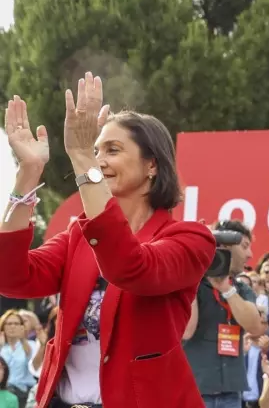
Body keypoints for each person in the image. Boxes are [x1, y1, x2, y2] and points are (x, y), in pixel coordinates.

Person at [0, 73, 216, 408]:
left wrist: (82, 157)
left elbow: (131, 267)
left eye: (112, 150)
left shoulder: (191, 238)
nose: (99, 159)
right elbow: (11, 277)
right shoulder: (78, 236)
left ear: (152, 165)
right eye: (96, 150)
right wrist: (28, 172)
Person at [183, 219, 266, 408]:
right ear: (225, 246)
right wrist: (193, 271)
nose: (250, 255)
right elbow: (186, 330)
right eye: (244, 247)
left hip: (231, 392)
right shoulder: (191, 284)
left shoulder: (241, 289)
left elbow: (254, 327)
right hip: (195, 390)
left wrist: (226, 289)